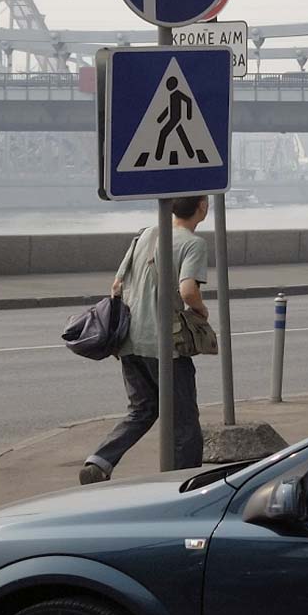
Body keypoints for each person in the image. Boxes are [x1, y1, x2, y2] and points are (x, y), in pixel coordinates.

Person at [80, 194, 210, 482]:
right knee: (185, 422)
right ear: (202, 207)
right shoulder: (193, 243)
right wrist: (201, 311)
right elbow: (188, 290)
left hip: (128, 341)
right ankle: (184, 483)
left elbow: (117, 285)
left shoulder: (145, 235)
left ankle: (100, 461)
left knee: (142, 409)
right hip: (166, 345)